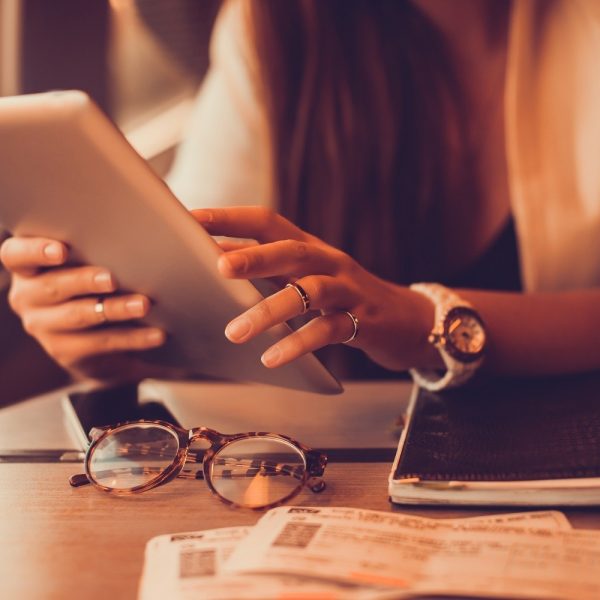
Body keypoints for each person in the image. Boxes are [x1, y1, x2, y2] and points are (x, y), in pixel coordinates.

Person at [2, 0, 600, 388]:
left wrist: (425, 324)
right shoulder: (275, 25)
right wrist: (109, 336)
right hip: (345, 470)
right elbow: (202, 287)